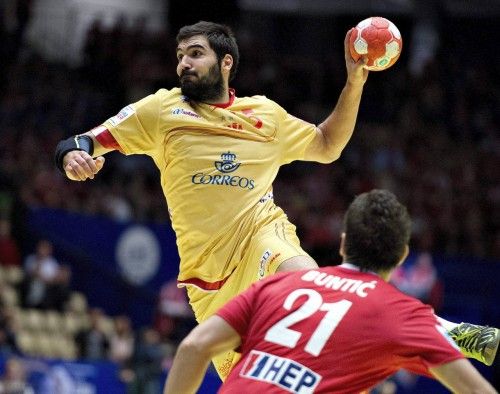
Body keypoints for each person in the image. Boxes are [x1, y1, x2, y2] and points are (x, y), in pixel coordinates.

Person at [54, 21, 498, 377]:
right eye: (180, 56)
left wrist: (355, 81)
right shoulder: (161, 110)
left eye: (195, 54)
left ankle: (448, 332)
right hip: (208, 280)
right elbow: (84, 140)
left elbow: (327, 145)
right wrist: (76, 155)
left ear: (225, 63)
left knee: (321, 289)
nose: (183, 65)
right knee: (258, 381)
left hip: (263, 237)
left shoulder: (264, 115)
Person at [163, 189, 498, 394]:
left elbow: (193, 346)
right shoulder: (397, 310)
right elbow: (475, 387)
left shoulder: (277, 285)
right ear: (402, 258)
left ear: (341, 244)